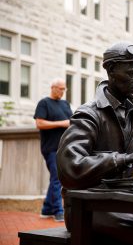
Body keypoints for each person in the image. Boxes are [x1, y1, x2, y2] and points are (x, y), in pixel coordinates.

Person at [56, 42, 133, 245]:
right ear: (111, 70)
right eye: (132, 73)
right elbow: (70, 168)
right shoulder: (89, 115)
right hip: (86, 207)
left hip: (123, 201)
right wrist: (125, 159)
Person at [34, 78, 72, 222]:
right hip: (50, 148)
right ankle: (58, 211)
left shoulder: (65, 104)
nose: (63, 91)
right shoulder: (44, 103)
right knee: (57, 179)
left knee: (56, 179)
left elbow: (71, 122)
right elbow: (39, 123)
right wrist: (62, 123)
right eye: (61, 89)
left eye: (64, 89)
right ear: (53, 88)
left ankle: (47, 209)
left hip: (64, 148)